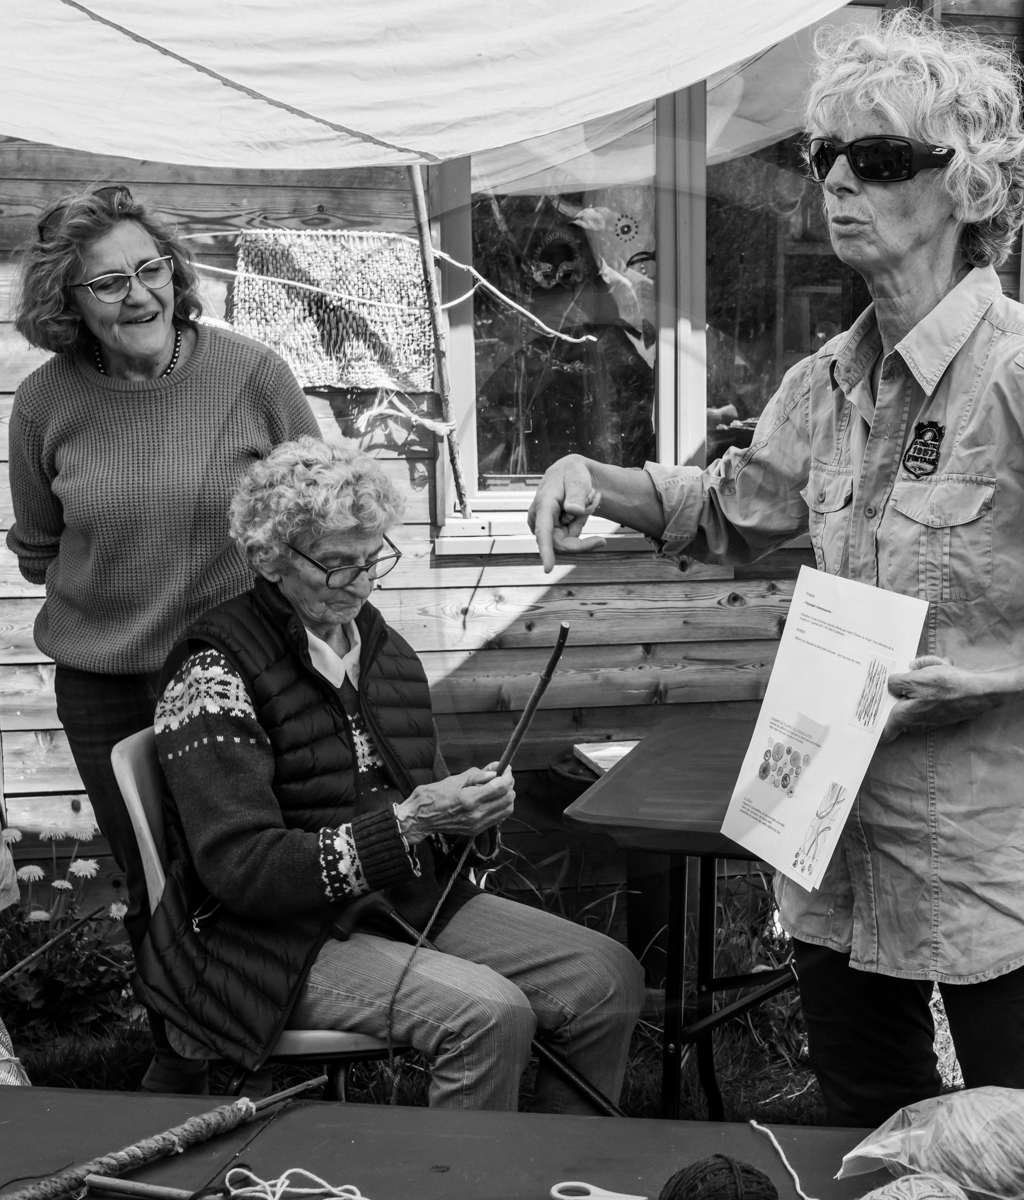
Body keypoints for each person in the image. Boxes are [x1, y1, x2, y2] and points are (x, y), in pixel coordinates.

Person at [529, 13, 1024, 1126]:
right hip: (842, 853)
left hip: (1002, 873)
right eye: (822, 155)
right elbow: (738, 510)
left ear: (969, 186)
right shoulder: (826, 383)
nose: (837, 182)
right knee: (868, 1139)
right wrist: (596, 479)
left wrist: (1015, 670)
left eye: (880, 160)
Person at [138, 438, 644, 1112]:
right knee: (487, 1016)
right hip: (267, 942)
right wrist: (408, 823)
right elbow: (241, 870)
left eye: (371, 557)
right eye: (335, 563)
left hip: (399, 906)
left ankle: (560, 1176)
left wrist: (472, 816)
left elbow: (428, 816)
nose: (360, 582)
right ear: (269, 558)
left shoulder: (384, 652)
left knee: (607, 976)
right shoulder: (213, 672)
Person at [7, 185, 320, 1092]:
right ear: (68, 302)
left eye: (151, 270)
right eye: (108, 283)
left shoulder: (251, 374)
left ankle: (254, 1038)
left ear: (176, 275)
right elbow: (36, 546)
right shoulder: (43, 403)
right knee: (150, 876)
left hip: (233, 670)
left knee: (241, 862)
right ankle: (188, 1055)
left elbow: (314, 504)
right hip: (103, 683)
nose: (138, 295)